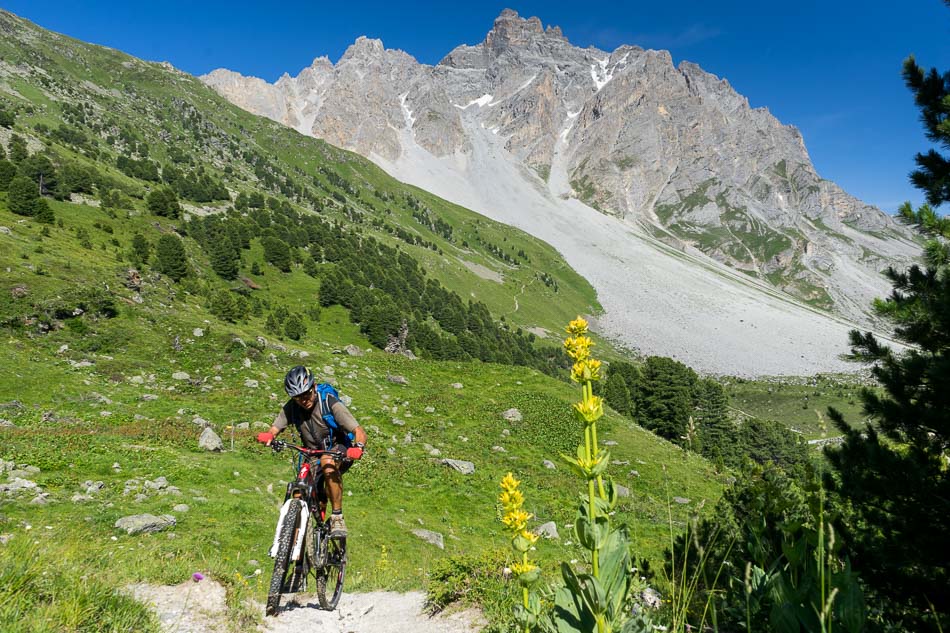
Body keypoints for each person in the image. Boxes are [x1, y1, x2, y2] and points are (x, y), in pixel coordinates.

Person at [257, 366, 367, 538]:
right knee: (301, 490)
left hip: (338, 448)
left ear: (314, 387)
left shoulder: (329, 402)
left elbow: (359, 430)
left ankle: (337, 516)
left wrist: (358, 447)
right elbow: (275, 427)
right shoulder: (292, 407)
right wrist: (269, 436)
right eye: (297, 397)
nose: (303, 400)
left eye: (306, 394)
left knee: (327, 463)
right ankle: (301, 549)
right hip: (311, 453)